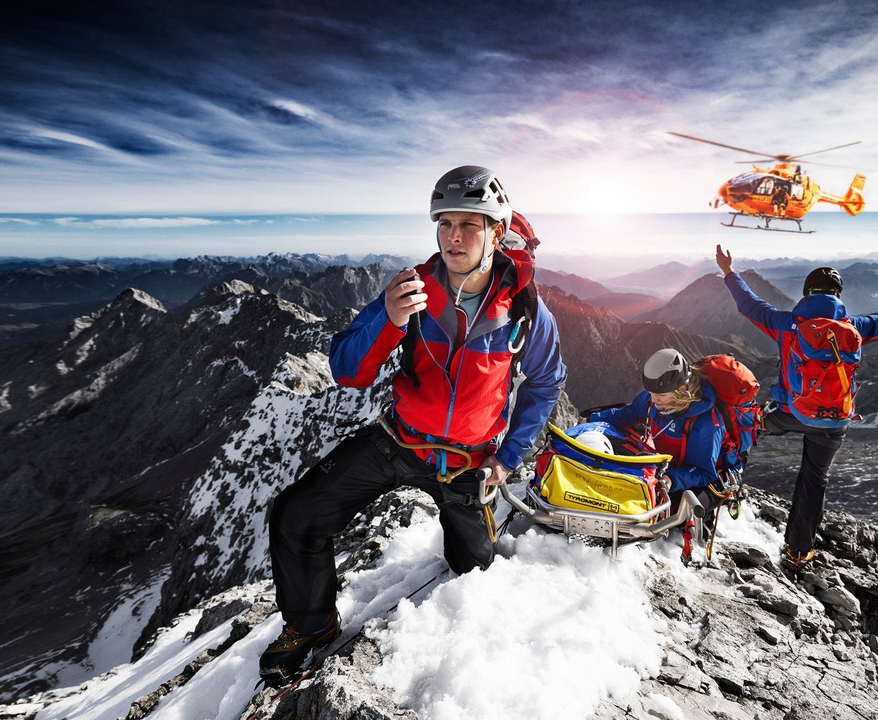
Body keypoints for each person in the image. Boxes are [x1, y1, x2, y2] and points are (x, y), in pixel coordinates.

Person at [259, 166, 567, 682]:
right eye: (445, 223)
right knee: (296, 514)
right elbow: (346, 371)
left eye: (470, 224)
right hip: (399, 440)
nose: (453, 236)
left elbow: (546, 381)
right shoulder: (412, 291)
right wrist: (388, 318)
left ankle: (471, 539)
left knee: (475, 567)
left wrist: (509, 456)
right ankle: (310, 625)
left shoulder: (526, 312)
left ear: (497, 231)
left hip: (467, 460)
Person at [715, 245, 878, 571]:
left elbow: (749, 305)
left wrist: (729, 273)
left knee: (740, 425)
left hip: (790, 413)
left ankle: (726, 483)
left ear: (807, 293)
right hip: (834, 422)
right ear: (838, 295)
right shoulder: (856, 327)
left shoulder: (787, 324)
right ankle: (799, 552)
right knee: (814, 479)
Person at [588, 348, 726, 520]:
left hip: (698, 478)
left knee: (673, 514)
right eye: (651, 393)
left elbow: (704, 472)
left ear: (681, 389)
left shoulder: (706, 423)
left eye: (660, 395)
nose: (653, 400)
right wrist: (592, 419)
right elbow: (629, 414)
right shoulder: (655, 396)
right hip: (666, 468)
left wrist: (672, 479)